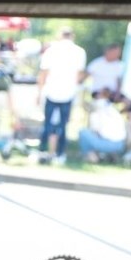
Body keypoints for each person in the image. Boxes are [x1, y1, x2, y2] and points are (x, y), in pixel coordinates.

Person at [35, 27, 87, 165]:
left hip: (51, 91)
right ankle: (59, 154)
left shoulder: (51, 50)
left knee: (47, 124)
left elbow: (43, 74)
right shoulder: (79, 52)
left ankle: (42, 151)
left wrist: (39, 92)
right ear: (72, 36)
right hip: (68, 93)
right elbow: (80, 75)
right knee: (63, 125)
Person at [77, 90, 128, 163]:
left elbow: (95, 131)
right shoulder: (114, 111)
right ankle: (110, 155)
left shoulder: (97, 113)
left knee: (83, 132)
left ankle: (91, 156)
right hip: (121, 145)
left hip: (108, 143)